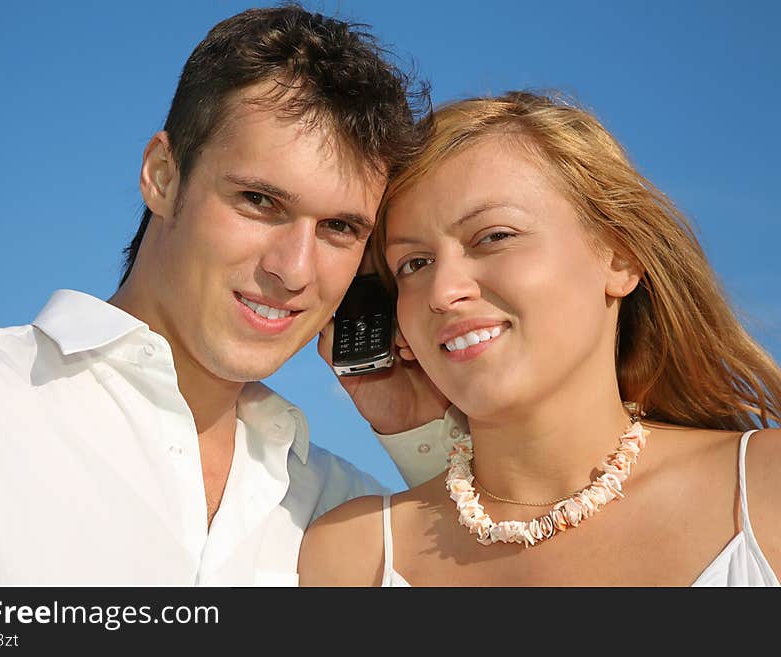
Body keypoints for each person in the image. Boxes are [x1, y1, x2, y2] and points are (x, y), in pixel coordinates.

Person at [0, 5, 454, 586]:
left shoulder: (349, 518)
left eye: (339, 228)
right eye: (260, 201)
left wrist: (420, 438)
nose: (293, 271)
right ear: (163, 176)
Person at [299, 91, 781, 586]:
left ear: (619, 258)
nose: (442, 292)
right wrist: (417, 433)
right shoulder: (354, 555)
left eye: (494, 236)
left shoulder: (766, 491)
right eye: (414, 264)